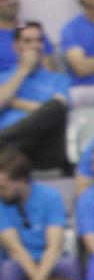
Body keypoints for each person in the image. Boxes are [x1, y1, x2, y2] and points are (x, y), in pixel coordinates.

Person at [0, 148, 81, 280]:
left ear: (21, 181)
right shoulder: (1, 203)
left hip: (49, 260)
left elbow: (54, 246)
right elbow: (15, 249)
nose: (0, 191)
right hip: (20, 262)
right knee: (8, 269)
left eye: (4, 187)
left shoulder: (50, 197)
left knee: (69, 265)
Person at [0, 24, 70, 173]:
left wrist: (12, 102)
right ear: (16, 46)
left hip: (44, 149)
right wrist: (23, 70)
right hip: (9, 152)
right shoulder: (3, 78)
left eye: (39, 41)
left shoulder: (59, 79)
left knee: (56, 106)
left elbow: (56, 111)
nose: (35, 46)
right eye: (28, 41)